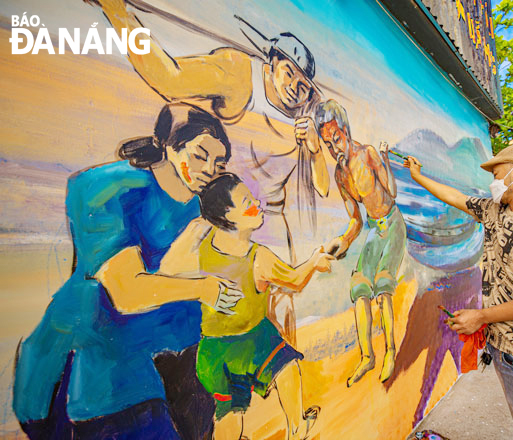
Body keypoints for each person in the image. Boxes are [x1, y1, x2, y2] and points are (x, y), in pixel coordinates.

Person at [90, 0, 330, 345]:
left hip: (269, 226)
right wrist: (117, 12)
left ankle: (279, 393)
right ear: (271, 62)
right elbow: (168, 78)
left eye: (303, 84)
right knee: (222, 318)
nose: (295, 86)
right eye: (289, 72)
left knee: (279, 315)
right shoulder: (238, 75)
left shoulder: (299, 123)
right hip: (224, 216)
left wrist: (315, 149)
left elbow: (320, 187)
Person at [13, 103, 242, 439]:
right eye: (199, 155)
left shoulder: (200, 206)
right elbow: (126, 291)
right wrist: (205, 288)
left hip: (170, 355)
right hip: (88, 368)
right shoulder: (111, 189)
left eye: (218, 162)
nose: (210, 169)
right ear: (167, 145)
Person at [404, 142, 513, 440]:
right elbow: (456, 198)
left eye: (498, 173)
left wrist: (482, 315)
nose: (494, 182)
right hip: (503, 350)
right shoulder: (495, 211)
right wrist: (418, 177)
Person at [159, 173, 333, 440]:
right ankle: (297, 429)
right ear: (228, 216)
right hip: (253, 342)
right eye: (247, 201)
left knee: (231, 410)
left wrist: (197, 227)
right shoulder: (258, 257)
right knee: (287, 367)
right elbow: (295, 281)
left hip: (213, 354)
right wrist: (314, 261)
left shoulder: (202, 252)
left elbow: (167, 269)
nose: (258, 204)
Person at [315, 100, 407, 387]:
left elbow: (391, 192)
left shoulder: (368, 154)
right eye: (328, 144)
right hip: (371, 230)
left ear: (346, 130)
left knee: (382, 285)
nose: (334, 149)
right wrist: (340, 244)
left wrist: (385, 161)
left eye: (337, 139)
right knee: (359, 287)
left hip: (392, 225)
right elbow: (355, 220)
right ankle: (368, 356)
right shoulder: (341, 175)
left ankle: (390, 351)